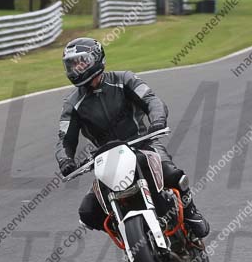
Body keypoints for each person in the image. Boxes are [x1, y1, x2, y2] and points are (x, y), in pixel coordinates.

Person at [55, 37, 210, 238]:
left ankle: (190, 212)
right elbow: (64, 139)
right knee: (88, 213)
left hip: (142, 143)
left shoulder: (124, 79)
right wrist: (65, 161)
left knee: (173, 174)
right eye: (71, 65)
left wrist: (157, 120)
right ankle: (126, 234)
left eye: (81, 62)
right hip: (106, 159)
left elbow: (151, 100)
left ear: (96, 58)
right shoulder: (72, 104)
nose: (76, 68)